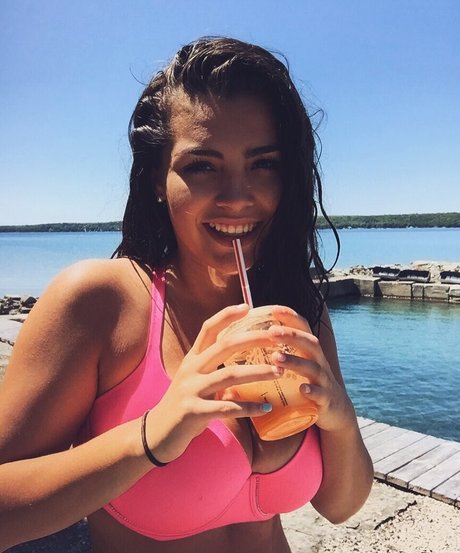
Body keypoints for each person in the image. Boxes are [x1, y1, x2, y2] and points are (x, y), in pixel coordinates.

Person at [0, 36, 373, 552]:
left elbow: (340, 506)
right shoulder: (100, 302)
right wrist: (154, 434)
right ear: (158, 179)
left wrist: (339, 415)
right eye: (202, 165)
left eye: (263, 163)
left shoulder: (295, 309)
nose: (237, 197)